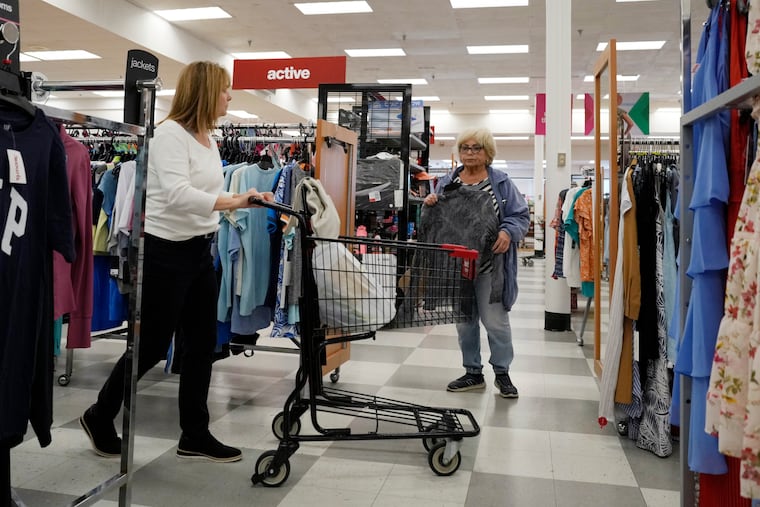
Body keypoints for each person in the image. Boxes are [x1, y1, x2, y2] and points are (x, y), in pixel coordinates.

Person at [80, 61, 273, 463]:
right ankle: (100, 415)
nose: (230, 96)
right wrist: (237, 200)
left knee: (202, 344)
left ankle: (194, 434)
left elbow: (203, 196)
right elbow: (177, 195)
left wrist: (239, 202)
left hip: (199, 251)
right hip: (167, 253)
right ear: (204, 91)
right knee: (150, 345)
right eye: (225, 89)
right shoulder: (169, 136)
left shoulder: (208, 139)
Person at [422, 128, 530, 398]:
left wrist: (507, 231)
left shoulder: (502, 183)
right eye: (465, 148)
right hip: (459, 264)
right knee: (465, 321)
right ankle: (472, 373)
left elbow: (520, 216)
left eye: (477, 148)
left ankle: (502, 374)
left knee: (495, 322)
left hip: (490, 267)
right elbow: (435, 221)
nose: (470, 153)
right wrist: (429, 203)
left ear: (487, 152)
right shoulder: (447, 181)